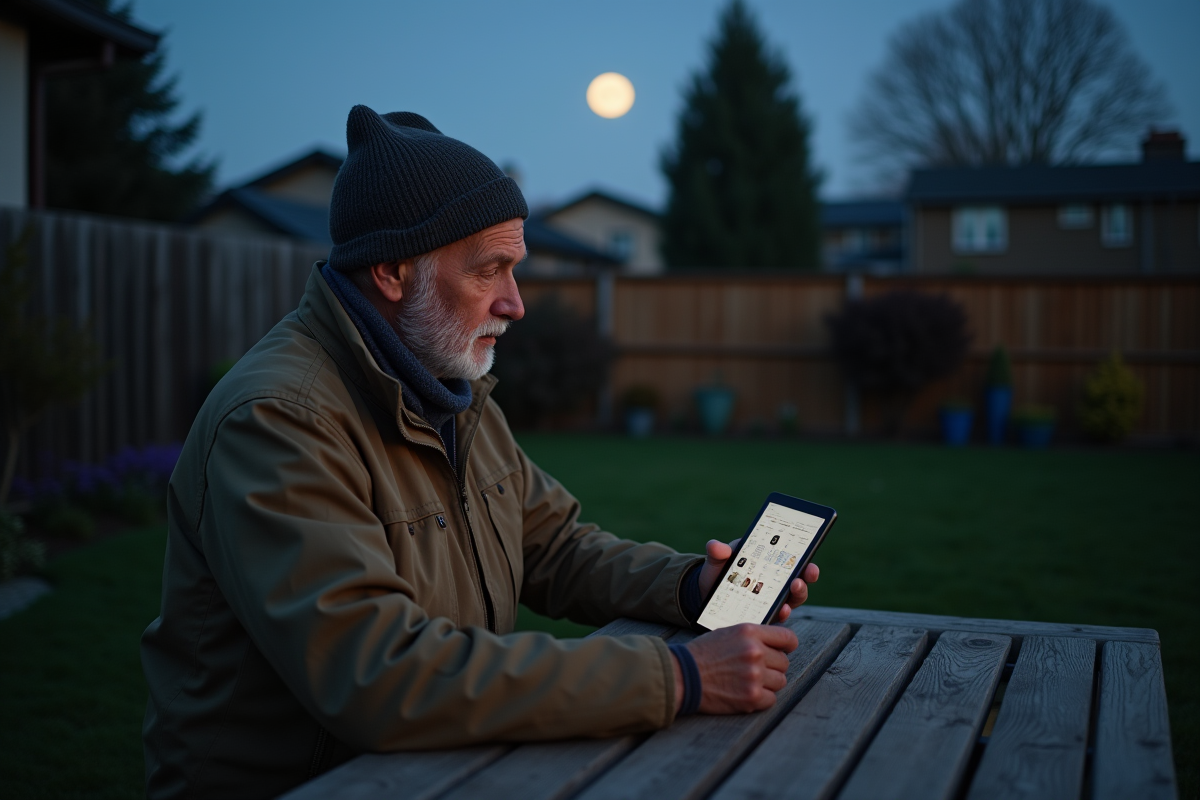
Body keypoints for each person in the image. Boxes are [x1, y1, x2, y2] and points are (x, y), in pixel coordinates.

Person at [140, 105, 820, 799]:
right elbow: (378, 675)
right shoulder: (281, 421)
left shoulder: (446, 389)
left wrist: (689, 586)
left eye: (515, 270)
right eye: (490, 270)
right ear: (394, 271)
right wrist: (679, 677)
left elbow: (553, 547)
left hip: (437, 771)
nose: (515, 303)